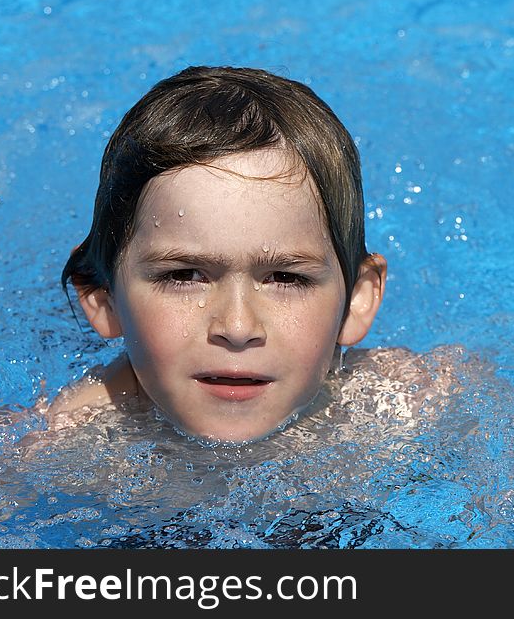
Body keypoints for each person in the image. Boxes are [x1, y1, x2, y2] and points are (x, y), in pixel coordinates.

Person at [47, 65, 391, 444]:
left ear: (357, 299)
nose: (238, 328)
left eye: (286, 277)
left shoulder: (399, 408)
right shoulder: (61, 443)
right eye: (185, 275)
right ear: (102, 296)